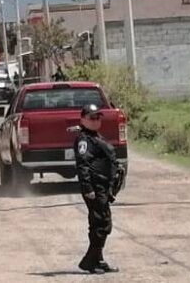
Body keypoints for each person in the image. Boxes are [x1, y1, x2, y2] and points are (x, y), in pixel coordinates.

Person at [73, 103, 119, 274]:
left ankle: (97, 259)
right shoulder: (84, 140)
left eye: (98, 117)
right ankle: (90, 261)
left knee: (101, 223)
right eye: (92, 118)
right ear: (83, 120)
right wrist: (88, 188)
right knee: (102, 223)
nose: (96, 120)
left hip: (102, 187)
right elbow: (83, 165)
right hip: (95, 188)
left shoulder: (94, 137)